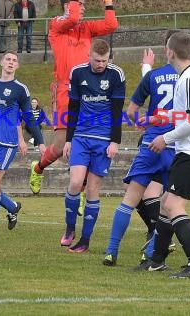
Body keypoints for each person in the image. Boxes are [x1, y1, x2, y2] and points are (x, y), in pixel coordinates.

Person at [28, 0, 118, 195]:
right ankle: (37, 168)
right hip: (64, 91)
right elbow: (74, 16)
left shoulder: (86, 29)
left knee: (87, 141)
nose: (82, 8)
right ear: (66, 6)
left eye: (84, 4)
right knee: (59, 146)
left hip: (88, 92)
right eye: (78, 2)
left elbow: (111, 25)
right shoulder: (57, 25)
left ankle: (78, 191)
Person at [135, 31, 190, 279]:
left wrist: (164, 138)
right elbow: (186, 114)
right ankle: (156, 260)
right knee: (164, 205)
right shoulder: (188, 76)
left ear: (170, 52)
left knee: (173, 205)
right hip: (189, 150)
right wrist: (161, 117)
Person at [102, 34, 181, 267]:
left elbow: (130, 112)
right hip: (175, 146)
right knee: (170, 206)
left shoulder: (154, 76)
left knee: (129, 198)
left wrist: (142, 121)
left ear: (168, 51)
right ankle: (152, 250)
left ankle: (111, 252)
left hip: (150, 144)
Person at [60, 39, 125, 253]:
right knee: (75, 182)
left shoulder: (116, 75)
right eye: (97, 60)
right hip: (80, 136)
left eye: (104, 61)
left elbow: (117, 111)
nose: (101, 65)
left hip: (104, 140)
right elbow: (73, 107)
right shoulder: (78, 73)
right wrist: (69, 139)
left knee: (93, 188)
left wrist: (115, 140)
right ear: (89, 56)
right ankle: (70, 228)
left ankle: (85, 241)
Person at [0, 51, 46, 234]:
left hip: (6, 144)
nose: (11, 62)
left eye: (14, 60)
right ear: (1, 62)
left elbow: (29, 118)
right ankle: (12, 207)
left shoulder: (20, 89)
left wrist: (40, 142)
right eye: (8, 59)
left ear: (17, 66)